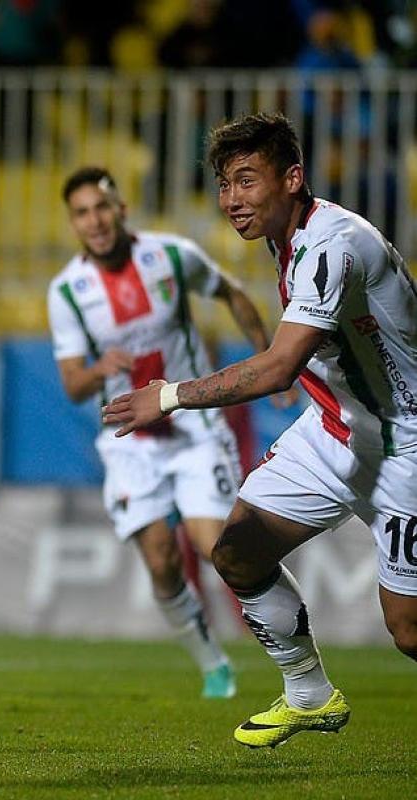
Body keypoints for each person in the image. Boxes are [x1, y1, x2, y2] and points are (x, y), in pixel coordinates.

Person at [103, 112, 417, 747]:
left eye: (246, 180)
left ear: (292, 178)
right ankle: (309, 695)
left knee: (408, 630)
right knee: (238, 552)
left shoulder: (333, 245)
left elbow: (277, 369)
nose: (231, 200)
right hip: (335, 428)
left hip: (405, 443)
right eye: (224, 184)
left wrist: (169, 396)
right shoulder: (286, 236)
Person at [48, 166, 287, 699]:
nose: (95, 221)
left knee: (217, 548)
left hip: (193, 427)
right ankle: (213, 664)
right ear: (73, 223)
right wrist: (98, 368)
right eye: (82, 213)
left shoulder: (172, 256)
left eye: (102, 207)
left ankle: (296, 660)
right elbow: (72, 385)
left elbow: (233, 293)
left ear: (121, 209)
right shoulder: (67, 292)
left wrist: (272, 361)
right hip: (130, 442)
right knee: (160, 560)